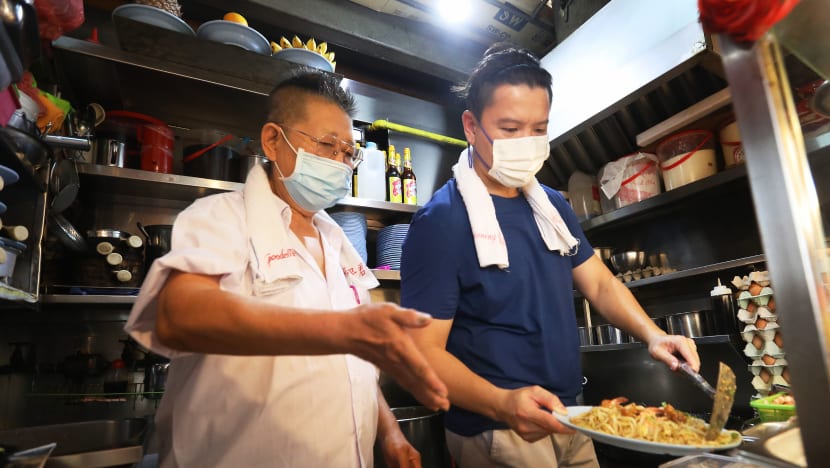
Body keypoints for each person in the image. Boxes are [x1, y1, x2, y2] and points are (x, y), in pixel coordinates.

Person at [125, 71, 448, 468]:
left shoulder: (339, 243)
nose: (339, 163)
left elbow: (352, 366)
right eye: (327, 145)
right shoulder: (222, 217)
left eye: (348, 153)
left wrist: (390, 432)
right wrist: (340, 331)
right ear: (273, 141)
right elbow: (178, 316)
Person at [400, 44, 701, 467]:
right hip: (496, 430)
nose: (527, 143)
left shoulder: (551, 205)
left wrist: (654, 335)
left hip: (570, 415)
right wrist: (503, 403)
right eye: (509, 129)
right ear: (471, 126)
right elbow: (421, 352)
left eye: (538, 129)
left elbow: (599, 281)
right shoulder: (442, 222)